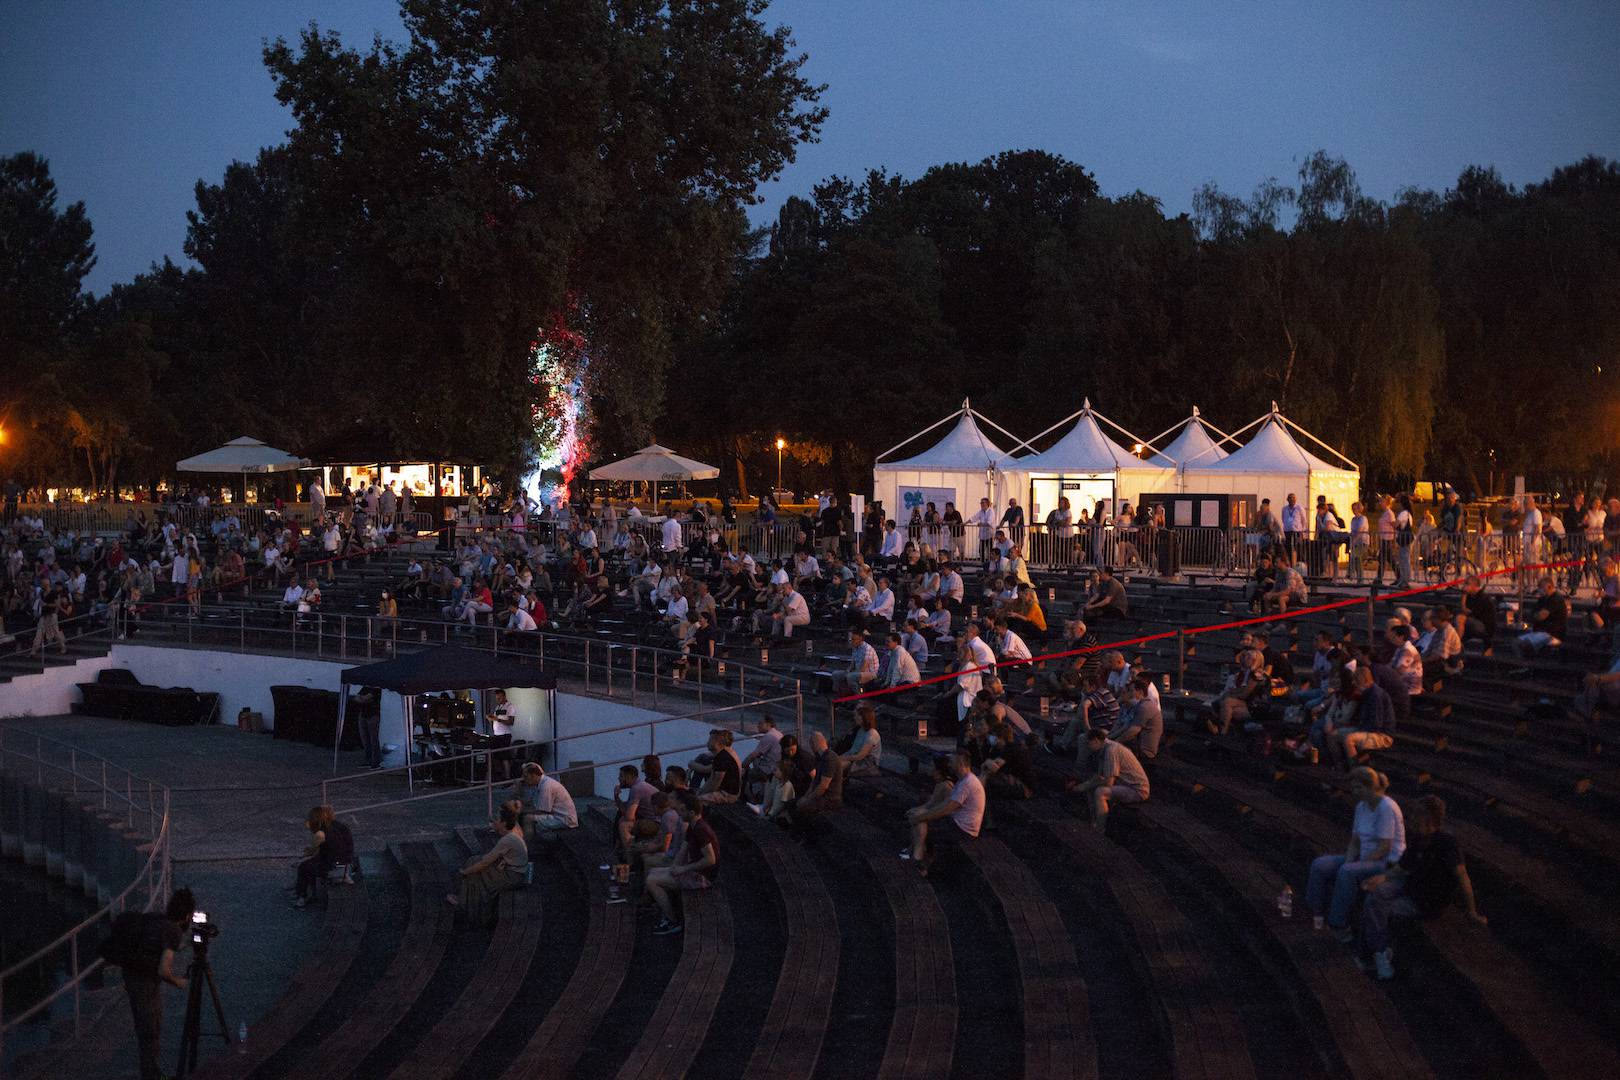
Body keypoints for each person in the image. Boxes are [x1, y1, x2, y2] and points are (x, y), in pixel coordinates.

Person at [1357, 795, 1486, 979]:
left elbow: (1462, 876)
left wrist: (1471, 911)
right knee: (1375, 893)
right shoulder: (1418, 839)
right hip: (1409, 886)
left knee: (1375, 906)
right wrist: (1382, 877)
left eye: (1416, 816)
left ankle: (1374, 955)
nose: (1411, 819)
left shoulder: (1446, 843)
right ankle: (1377, 954)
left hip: (1425, 900)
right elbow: (1403, 867)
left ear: (1430, 820)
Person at [1305, 767, 1406, 942]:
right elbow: (1355, 841)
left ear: (1370, 787)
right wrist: (1351, 860)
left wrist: (1355, 865)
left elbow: (1385, 847)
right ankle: (1316, 913)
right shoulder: (1361, 806)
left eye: (1358, 788)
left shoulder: (1386, 807)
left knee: (1347, 872)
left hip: (1386, 862)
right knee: (1320, 864)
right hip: (1365, 857)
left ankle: (1339, 925)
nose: (1354, 792)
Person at [119, 887, 195, 1080]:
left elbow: (158, 946)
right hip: (143, 984)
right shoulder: (173, 930)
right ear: (187, 915)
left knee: (145, 1031)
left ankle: (151, 1073)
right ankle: (151, 1076)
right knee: (150, 1034)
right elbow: (163, 971)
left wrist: (185, 944)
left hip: (131, 975)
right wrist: (179, 982)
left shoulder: (157, 919)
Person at [645, 793, 718, 935]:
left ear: (691, 812)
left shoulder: (701, 830)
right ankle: (666, 913)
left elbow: (710, 859)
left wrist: (683, 868)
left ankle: (673, 921)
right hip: (692, 871)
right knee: (652, 872)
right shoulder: (692, 826)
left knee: (651, 881)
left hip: (703, 877)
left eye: (682, 810)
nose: (678, 813)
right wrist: (674, 867)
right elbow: (683, 850)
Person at [904, 750, 984, 874]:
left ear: (961, 762)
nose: (949, 765)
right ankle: (921, 861)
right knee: (921, 820)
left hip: (963, 830)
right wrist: (921, 815)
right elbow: (944, 805)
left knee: (920, 823)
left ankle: (917, 860)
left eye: (952, 761)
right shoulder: (964, 781)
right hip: (957, 824)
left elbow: (947, 809)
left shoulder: (967, 783)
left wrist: (920, 817)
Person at [447, 806, 528, 926]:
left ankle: (471, 910)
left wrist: (465, 872)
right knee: (473, 860)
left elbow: (485, 862)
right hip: (514, 870)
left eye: (496, 820)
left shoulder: (507, 839)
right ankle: (465, 901)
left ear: (504, 823)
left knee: (475, 871)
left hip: (514, 876)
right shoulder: (513, 833)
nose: (493, 822)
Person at [1071, 726, 1150, 833]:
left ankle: (1100, 829)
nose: (1088, 747)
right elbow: (1099, 776)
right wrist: (1085, 785)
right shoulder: (1103, 749)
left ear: (1096, 740)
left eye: (1089, 744)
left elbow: (1108, 782)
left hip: (1137, 789)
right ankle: (1093, 821)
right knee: (1090, 787)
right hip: (1124, 784)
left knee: (1100, 792)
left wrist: (1085, 785)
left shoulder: (1111, 750)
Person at [291, 805, 355, 908]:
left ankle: (302, 896)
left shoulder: (320, 834)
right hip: (347, 866)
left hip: (333, 869)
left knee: (303, 867)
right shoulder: (340, 826)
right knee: (312, 863)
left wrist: (304, 855)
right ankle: (308, 891)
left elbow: (311, 851)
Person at [509, 762, 578, 834]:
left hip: (564, 819)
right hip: (555, 814)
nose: (524, 779)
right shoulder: (538, 784)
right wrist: (518, 791)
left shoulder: (546, 786)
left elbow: (542, 811)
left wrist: (520, 811)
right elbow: (529, 801)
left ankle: (528, 842)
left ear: (533, 775)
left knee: (528, 818)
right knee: (523, 813)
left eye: (526, 776)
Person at [841, 704, 884, 777]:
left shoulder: (872, 734)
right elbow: (853, 749)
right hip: (853, 757)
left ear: (864, 718)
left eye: (857, 716)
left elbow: (860, 756)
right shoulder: (860, 730)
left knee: (837, 766)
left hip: (866, 762)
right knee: (832, 763)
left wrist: (841, 758)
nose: (855, 717)